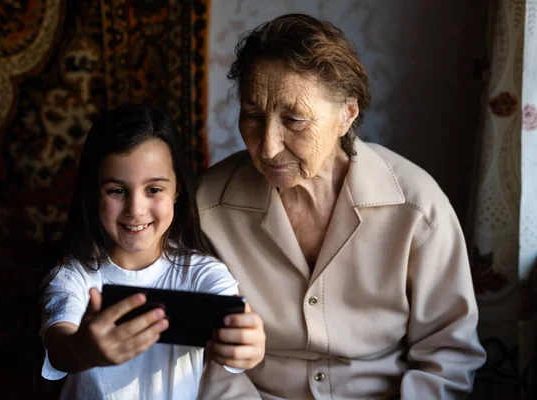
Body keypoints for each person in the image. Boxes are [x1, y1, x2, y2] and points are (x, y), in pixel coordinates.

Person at [196, 13, 486, 399]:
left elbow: (449, 354)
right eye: (252, 116)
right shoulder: (208, 207)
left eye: (294, 119)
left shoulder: (416, 207)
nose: (267, 147)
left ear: (346, 114)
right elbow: (199, 352)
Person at [39, 103, 265, 400]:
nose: (135, 210)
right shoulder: (73, 278)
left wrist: (249, 344)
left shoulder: (202, 274)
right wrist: (84, 350)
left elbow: (237, 321)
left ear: (177, 191)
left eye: (154, 189)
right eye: (116, 191)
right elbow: (60, 349)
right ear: (94, 194)